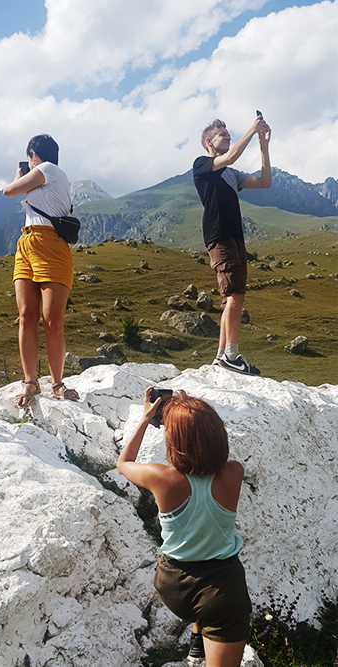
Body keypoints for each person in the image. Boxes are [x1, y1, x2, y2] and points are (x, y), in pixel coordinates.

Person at [117, 388, 251, 667]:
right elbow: (209, 452)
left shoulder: (162, 478)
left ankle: (196, 641)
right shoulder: (233, 473)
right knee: (220, 586)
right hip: (220, 592)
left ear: (173, 440)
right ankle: (203, 634)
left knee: (203, 592)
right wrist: (193, 412)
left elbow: (124, 462)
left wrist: (146, 419)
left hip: (173, 585)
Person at [3, 134, 79, 407]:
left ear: (33, 155)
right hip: (27, 242)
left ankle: (57, 383)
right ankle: (30, 381)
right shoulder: (46, 177)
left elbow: (8, 191)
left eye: (30, 157)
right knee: (26, 315)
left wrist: (17, 176)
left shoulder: (47, 170)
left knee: (51, 320)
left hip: (50, 245)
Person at [193, 115, 271, 375]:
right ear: (209, 142)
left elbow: (264, 182)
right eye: (222, 136)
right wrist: (252, 129)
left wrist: (263, 145)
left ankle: (221, 356)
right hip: (219, 235)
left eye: (229, 135)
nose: (227, 138)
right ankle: (232, 355)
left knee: (232, 296)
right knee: (235, 294)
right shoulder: (202, 164)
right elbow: (230, 157)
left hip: (235, 237)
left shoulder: (231, 174)